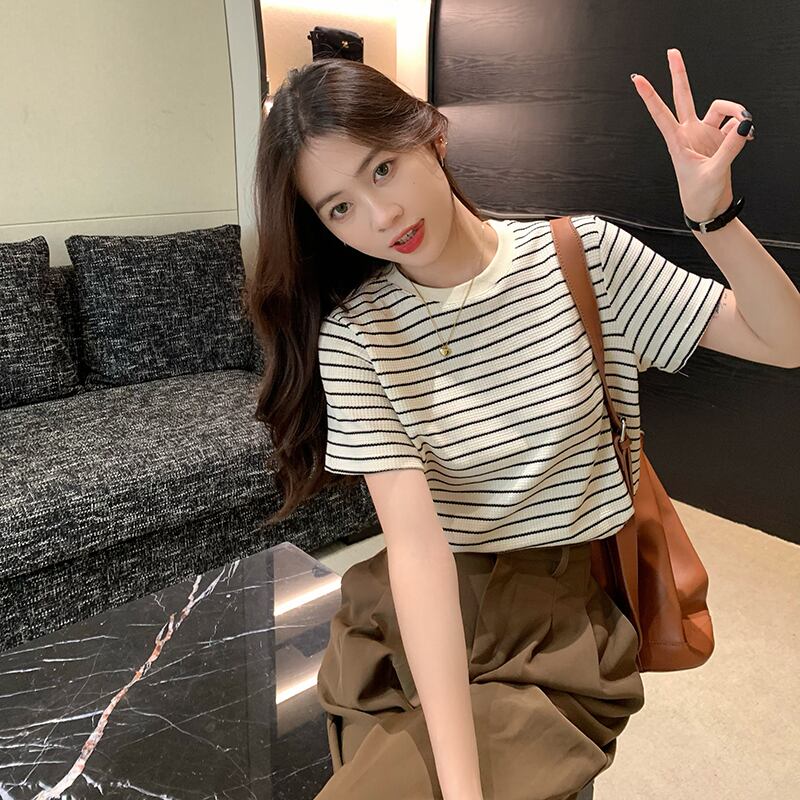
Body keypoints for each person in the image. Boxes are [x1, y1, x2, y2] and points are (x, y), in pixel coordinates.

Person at [247, 53, 797, 800]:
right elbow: (417, 551)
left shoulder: (582, 257)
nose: (381, 217)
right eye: (339, 207)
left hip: (561, 616)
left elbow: (786, 341)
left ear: (430, 134)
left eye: (382, 169)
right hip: (423, 616)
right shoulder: (358, 335)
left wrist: (716, 217)